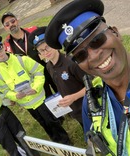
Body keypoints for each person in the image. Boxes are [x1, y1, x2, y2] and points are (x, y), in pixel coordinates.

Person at [44, 0, 130, 155]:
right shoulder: (91, 105)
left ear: (115, 33)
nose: (94, 56)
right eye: (81, 55)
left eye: (97, 40)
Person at [0, 36, 71, 145]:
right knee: (43, 123)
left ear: (4, 47)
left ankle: (66, 143)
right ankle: (57, 143)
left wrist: (35, 88)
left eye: (0, 49)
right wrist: (15, 96)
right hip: (28, 104)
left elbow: (39, 71)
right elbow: (5, 91)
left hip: (39, 99)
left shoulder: (21, 59)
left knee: (51, 121)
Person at [28, 26, 86, 128]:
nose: (46, 52)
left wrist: (74, 97)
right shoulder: (49, 66)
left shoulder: (71, 62)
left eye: (47, 47)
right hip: (74, 110)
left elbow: (93, 84)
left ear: (53, 44)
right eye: (42, 51)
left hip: (86, 107)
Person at [1, 12, 58, 99]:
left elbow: (51, 43)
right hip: (35, 78)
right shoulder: (7, 46)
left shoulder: (34, 30)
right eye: (7, 24)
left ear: (17, 21)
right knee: (48, 100)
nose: (11, 25)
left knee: (61, 91)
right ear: (5, 28)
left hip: (49, 68)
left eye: (12, 21)